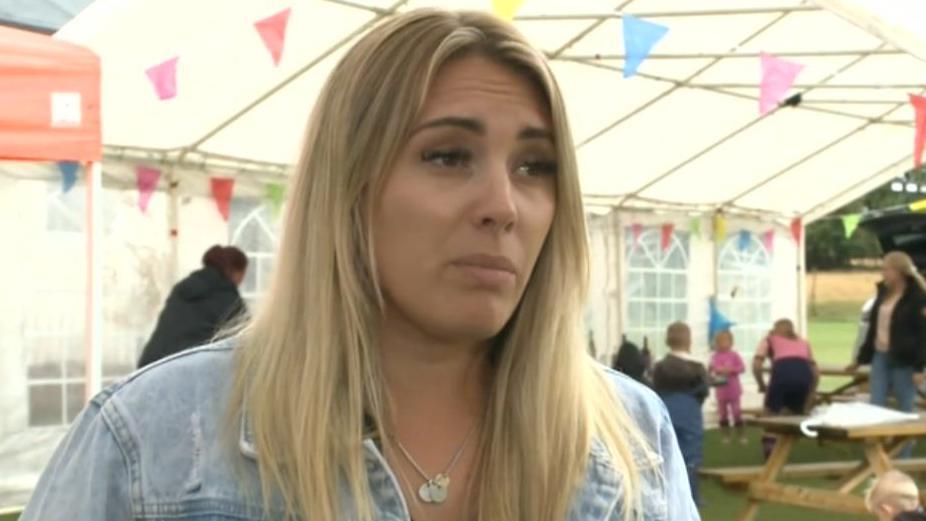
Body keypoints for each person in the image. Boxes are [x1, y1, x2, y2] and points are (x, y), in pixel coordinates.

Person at [21, 9, 699, 521]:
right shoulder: (154, 441)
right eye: (447, 155)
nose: (503, 204)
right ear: (348, 186)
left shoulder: (631, 435)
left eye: (534, 166)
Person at [136, 245, 248, 368]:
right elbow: (246, 341)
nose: (242, 279)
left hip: (149, 367)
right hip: (185, 371)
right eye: (243, 273)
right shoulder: (228, 299)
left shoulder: (182, 289)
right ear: (236, 271)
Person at [852, 251, 926, 423]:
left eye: (886, 269)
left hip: (903, 359)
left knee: (905, 407)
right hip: (881, 355)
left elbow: (923, 335)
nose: (883, 273)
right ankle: (878, 447)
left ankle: (904, 449)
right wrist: (860, 359)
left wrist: (919, 368)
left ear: (900, 272)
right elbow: (873, 329)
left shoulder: (917, 298)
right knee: (876, 403)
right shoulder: (883, 294)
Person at [653, 321, 709, 506]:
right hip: (690, 413)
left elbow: (654, 389)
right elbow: (703, 391)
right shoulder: (698, 367)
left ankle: (663, 495)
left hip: (665, 411)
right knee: (690, 457)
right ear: (689, 340)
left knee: (663, 453)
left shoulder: (660, 366)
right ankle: (690, 498)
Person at [753, 318, 818, 459]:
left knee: (770, 414)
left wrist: (761, 385)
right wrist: (811, 392)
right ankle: (784, 451)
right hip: (804, 376)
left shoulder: (770, 339)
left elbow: (757, 365)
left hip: (782, 374)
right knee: (791, 413)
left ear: (775, 329)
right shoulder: (803, 342)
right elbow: (815, 371)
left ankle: (770, 451)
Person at [709, 330, 746, 444]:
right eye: (719, 341)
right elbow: (711, 369)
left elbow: (742, 368)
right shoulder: (714, 356)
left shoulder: (734, 355)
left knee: (736, 413)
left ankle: (741, 436)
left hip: (734, 390)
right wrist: (717, 369)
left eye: (725, 341)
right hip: (721, 391)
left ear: (731, 342)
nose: (722, 343)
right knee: (723, 415)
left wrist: (731, 370)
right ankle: (725, 436)